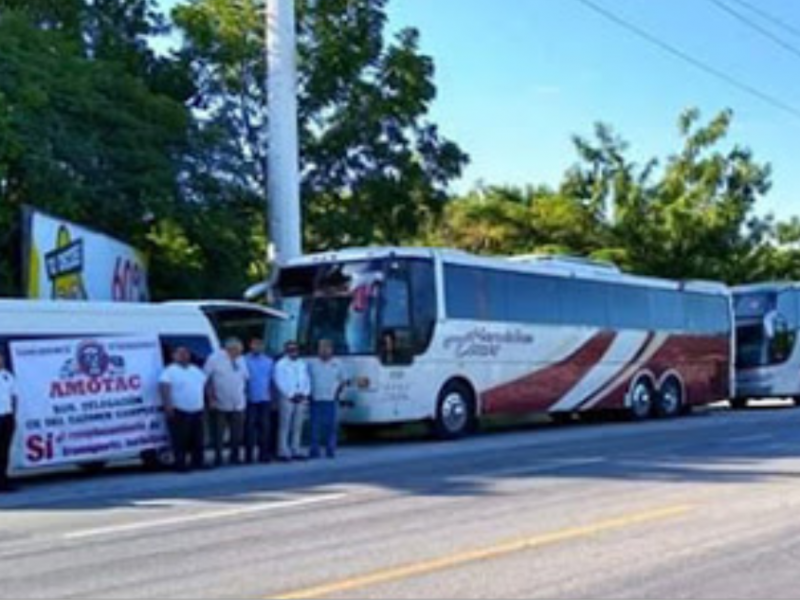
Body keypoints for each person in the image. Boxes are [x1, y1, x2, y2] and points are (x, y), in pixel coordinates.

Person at [159, 347, 207, 473]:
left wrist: (210, 398)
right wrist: (168, 406)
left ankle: (198, 462)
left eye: (186, 353)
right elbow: (164, 388)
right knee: (180, 440)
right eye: (180, 353)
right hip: (180, 410)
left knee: (198, 439)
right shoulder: (169, 371)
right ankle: (181, 464)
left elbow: (206, 384)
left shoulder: (195, 370)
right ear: (174, 356)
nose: (184, 355)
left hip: (197, 409)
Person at [205, 338, 249, 466]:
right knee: (218, 432)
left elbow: (245, 378)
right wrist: (211, 398)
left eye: (240, 352)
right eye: (236, 351)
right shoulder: (214, 358)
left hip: (238, 403)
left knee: (237, 432)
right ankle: (218, 457)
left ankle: (234, 456)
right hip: (220, 403)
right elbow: (207, 380)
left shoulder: (241, 359)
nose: (238, 354)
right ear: (229, 349)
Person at [274, 340, 311, 461]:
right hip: (287, 398)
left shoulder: (302, 363)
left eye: (295, 349)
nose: (293, 351)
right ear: (286, 351)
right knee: (285, 425)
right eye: (290, 349)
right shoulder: (280, 364)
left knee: (298, 425)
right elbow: (279, 381)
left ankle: (296, 448)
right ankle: (283, 450)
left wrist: (305, 393)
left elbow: (306, 380)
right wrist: (290, 394)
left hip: (301, 397)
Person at [309, 339, 346, 459]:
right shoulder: (312, 364)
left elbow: (343, 381)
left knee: (331, 427)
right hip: (316, 399)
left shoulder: (338, 364)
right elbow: (307, 381)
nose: (324, 350)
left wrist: (337, 394)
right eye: (321, 348)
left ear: (331, 350)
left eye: (326, 348)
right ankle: (314, 450)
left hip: (331, 400)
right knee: (315, 426)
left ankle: (330, 449)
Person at [244, 338, 275, 464]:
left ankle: (264, 455)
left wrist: (273, 399)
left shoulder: (269, 361)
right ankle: (249, 456)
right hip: (250, 399)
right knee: (249, 428)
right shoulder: (244, 360)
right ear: (250, 346)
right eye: (255, 345)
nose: (257, 347)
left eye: (260, 345)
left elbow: (272, 381)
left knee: (265, 428)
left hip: (265, 399)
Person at [0, 354, 18, 492]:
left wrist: (13, 415)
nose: (1, 361)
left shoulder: (7, 376)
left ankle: (3, 480)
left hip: (7, 417)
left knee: (5, 451)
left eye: (1, 358)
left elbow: (14, 396)